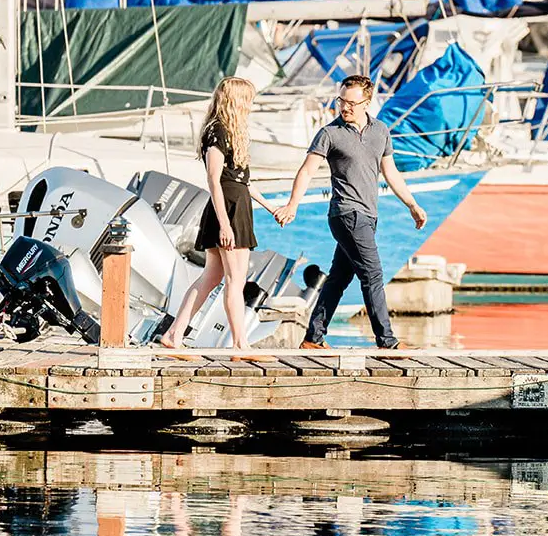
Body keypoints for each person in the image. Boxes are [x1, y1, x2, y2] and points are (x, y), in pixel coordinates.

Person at [272, 74, 426, 349]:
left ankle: (313, 338)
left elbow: (390, 172)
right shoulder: (330, 134)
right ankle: (387, 341)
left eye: (351, 103)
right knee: (373, 274)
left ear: (367, 102)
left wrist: (412, 204)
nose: (345, 107)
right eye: (341, 100)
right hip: (346, 214)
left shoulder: (381, 131)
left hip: (369, 216)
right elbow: (307, 170)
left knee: (339, 279)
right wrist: (292, 204)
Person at [160, 76, 268, 351]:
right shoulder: (217, 131)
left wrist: (271, 207)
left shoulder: (231, 133)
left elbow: (242, 181)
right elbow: (213, 178)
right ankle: (240, 343)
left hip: (237, 206)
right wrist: (224, 224)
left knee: (211, 277)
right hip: (227, 211)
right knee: (235, 280)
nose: (251, 105)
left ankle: (174, 334)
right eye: (248, 100)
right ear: (236, 101)